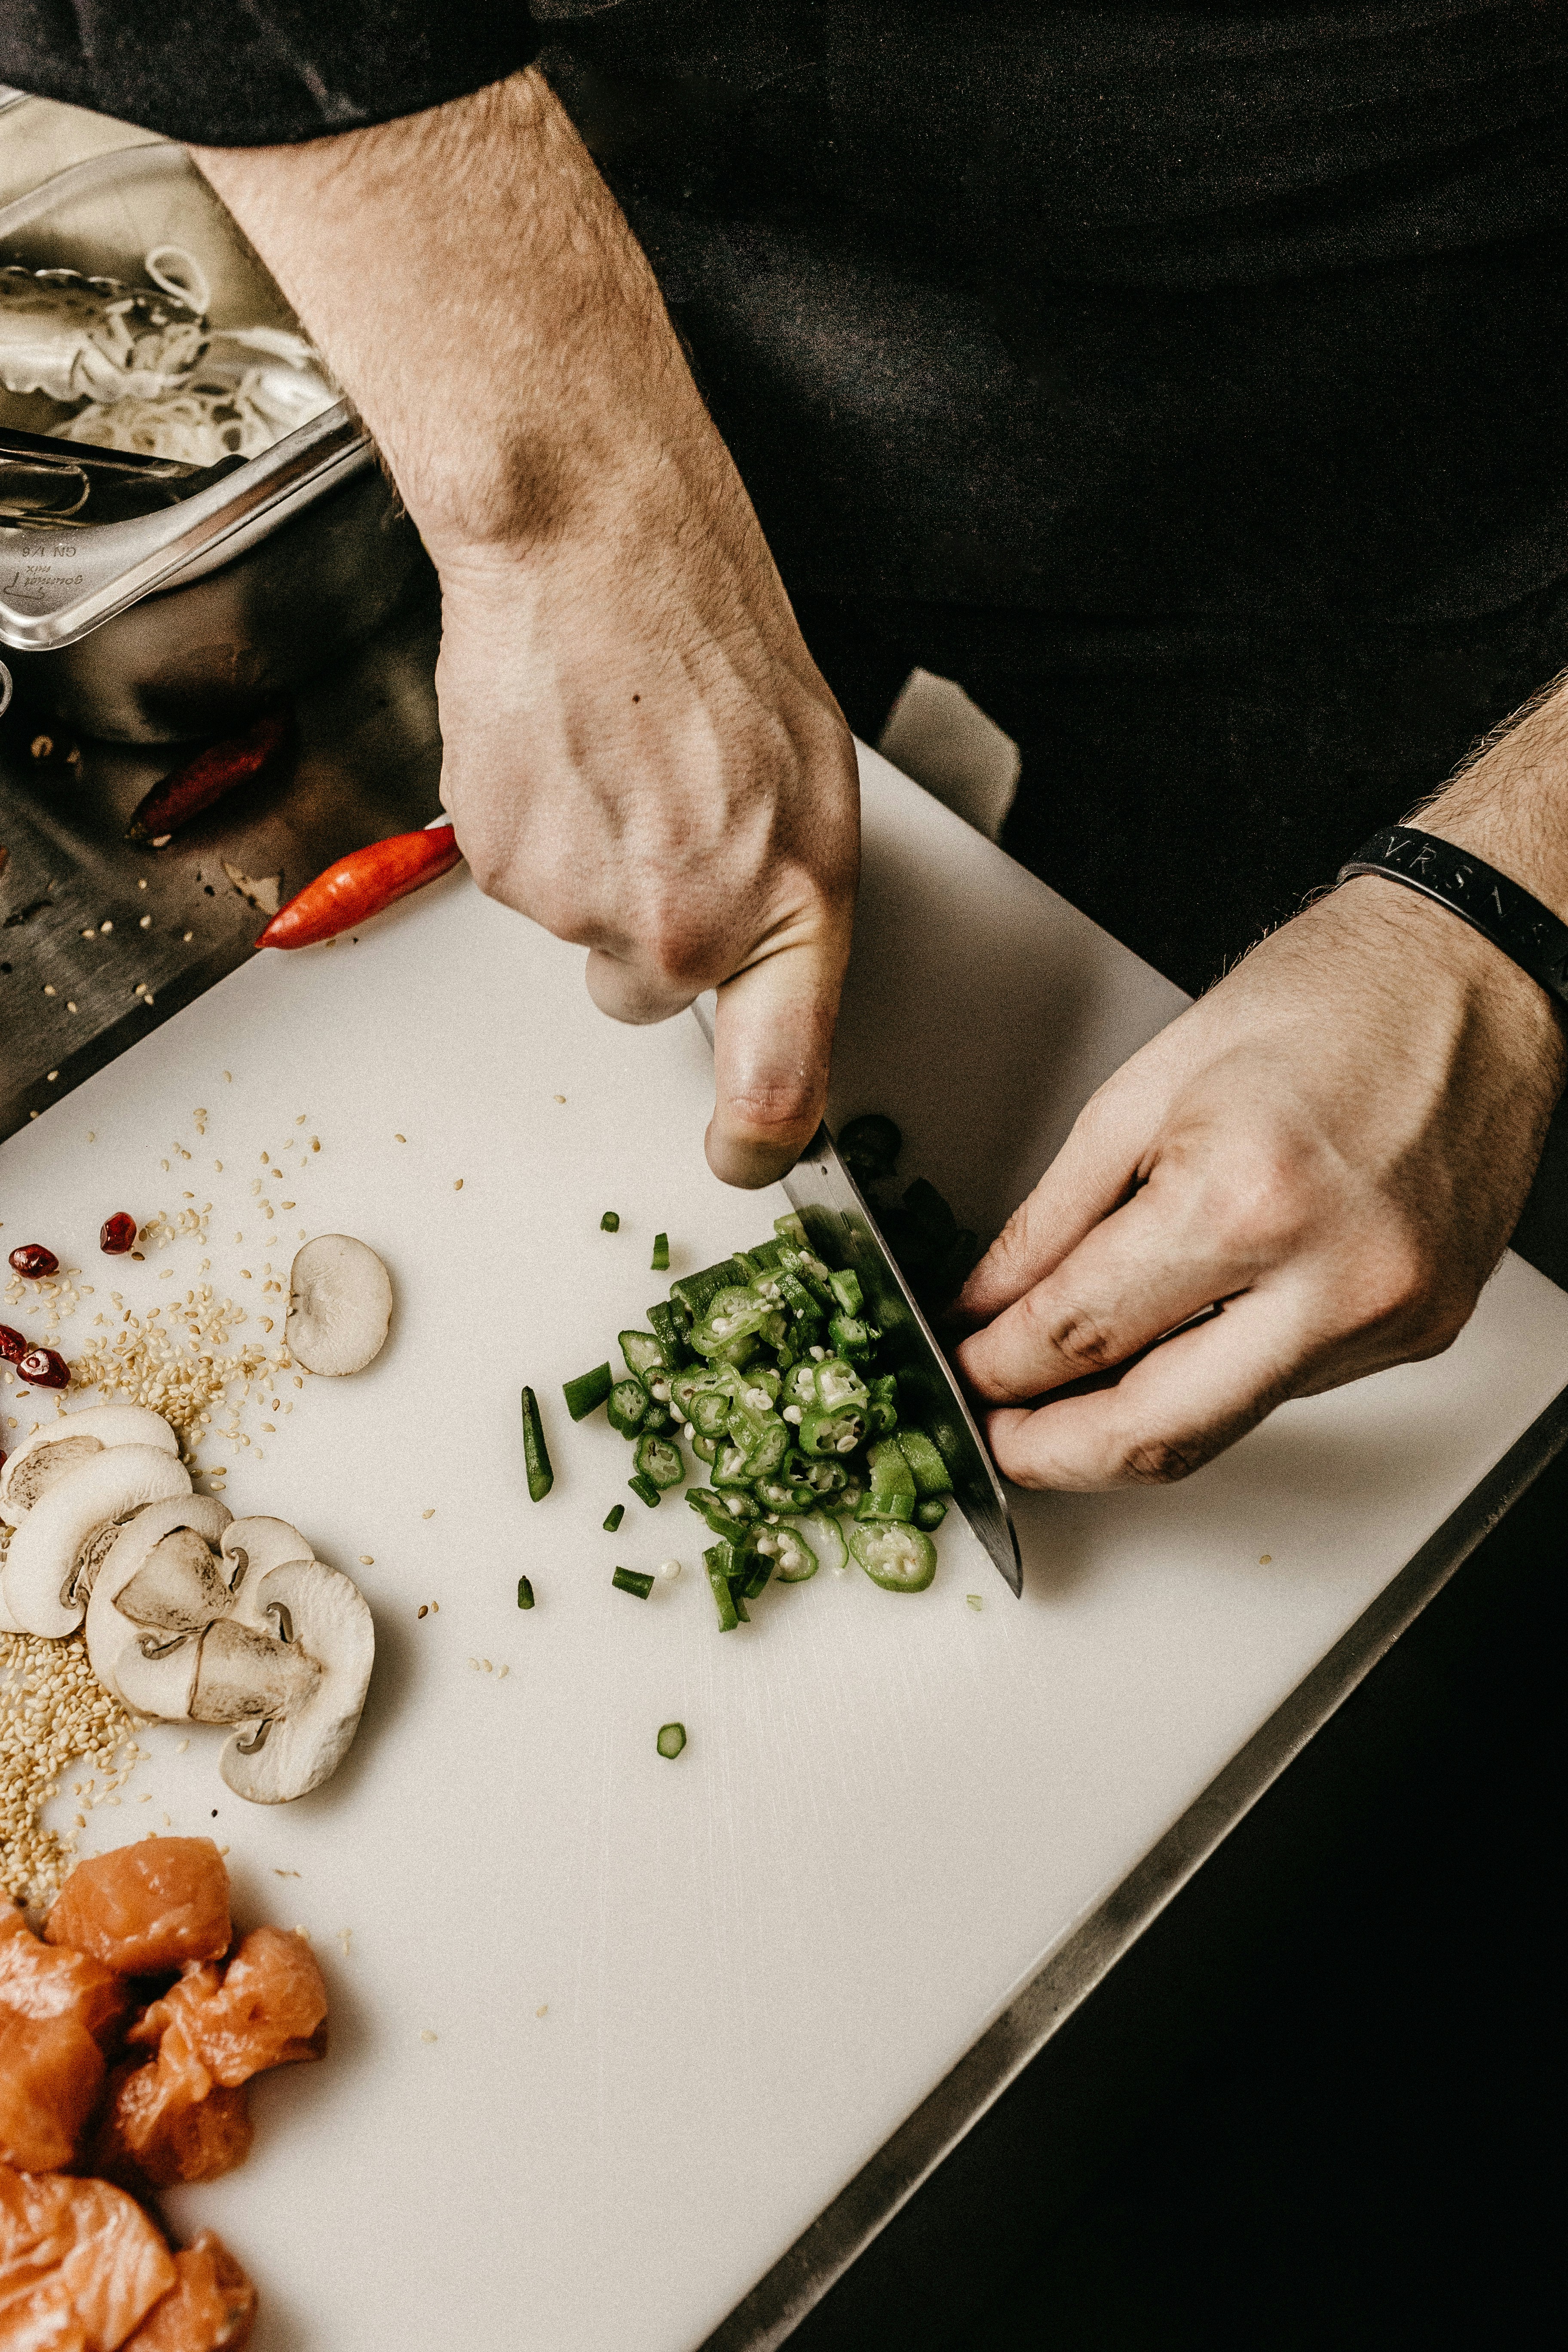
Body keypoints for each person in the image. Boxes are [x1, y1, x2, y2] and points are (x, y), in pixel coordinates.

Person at [3, 5, 1565, 1494]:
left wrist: (1505, 922)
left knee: (1212, 1172)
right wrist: (556, 498)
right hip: (601, 250)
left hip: (1415, 445)